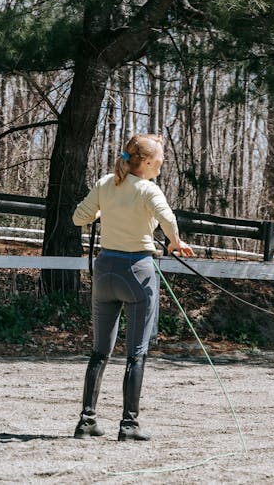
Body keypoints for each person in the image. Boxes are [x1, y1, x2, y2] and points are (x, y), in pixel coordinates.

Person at [71, 133, 194, 441]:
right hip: (137, 272)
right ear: (149, 162)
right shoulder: (148, 190)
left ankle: (87, 422)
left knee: (100, 351)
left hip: (105, 272)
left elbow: (78, 218)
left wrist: (102, 212)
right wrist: (176, 243)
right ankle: (129, 426)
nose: (162, 164)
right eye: (161, 160)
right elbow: (167, 219)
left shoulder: (105, 183)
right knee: (136, 353)